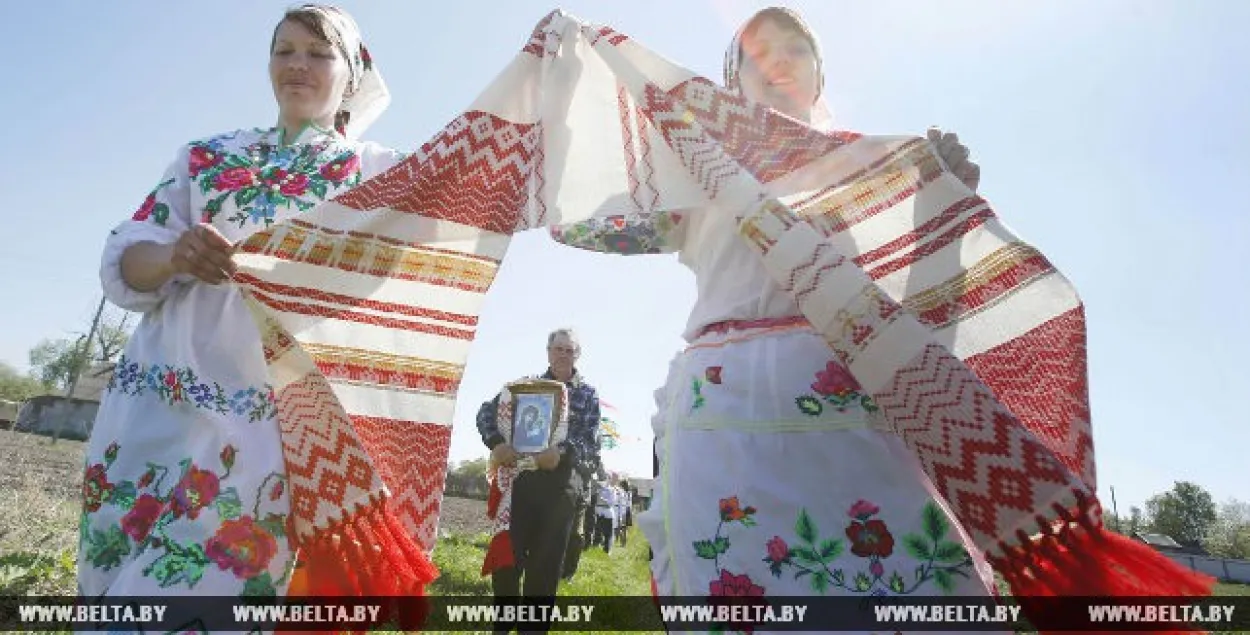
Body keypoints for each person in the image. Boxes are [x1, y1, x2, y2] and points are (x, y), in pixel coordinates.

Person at [550, 6, 1006, 630]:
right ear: (732, 84)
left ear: (821, 77)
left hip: (858, 428)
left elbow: (935, 306)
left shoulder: (870, 173)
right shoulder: (698, 172)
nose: (779, 60)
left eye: (795, 48)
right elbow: (580, 227)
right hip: (724, 430)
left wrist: (942, 208)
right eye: (757, 52)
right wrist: (563, 135)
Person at [76, 3, 421, 609]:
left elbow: (460, 224)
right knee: (117, 575)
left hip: (273, 418)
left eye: (319, 53)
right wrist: (179, 256)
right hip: (160, 402)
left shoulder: (379, 173)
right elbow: (126, 262)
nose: (298, 64)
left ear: (353, 71)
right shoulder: (204, 158)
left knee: (220, 580)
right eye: (284, 50)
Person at [476, 328, 602, 634]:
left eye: (569, 350)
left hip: (561, 486)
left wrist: (562, 453)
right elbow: (485, 413)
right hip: (522, 482)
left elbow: (591, 444)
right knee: (507, 561)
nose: (563, 355)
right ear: (548, 352)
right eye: (558, 349)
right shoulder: (526, 387)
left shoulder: (587, 394)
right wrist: (497, 443)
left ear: (577, 356)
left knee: (544, 570)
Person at [593, 477, 619, 554]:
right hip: (598, 512)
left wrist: (602, 499)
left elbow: (611, 503)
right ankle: (594, 549)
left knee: (608, 534)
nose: (606, 480)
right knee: (597, 532)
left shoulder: (612, 490)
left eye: (608, 478)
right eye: (605, 478)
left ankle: (607, 551)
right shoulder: (598, 488)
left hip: (607, 514)